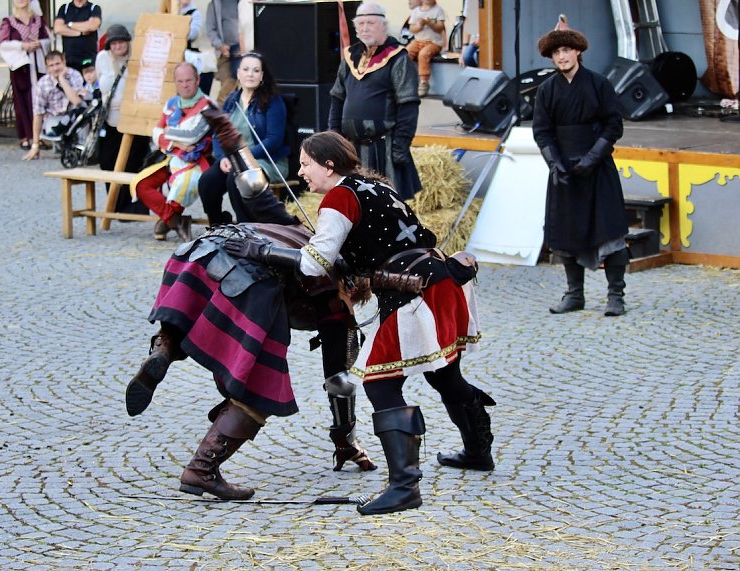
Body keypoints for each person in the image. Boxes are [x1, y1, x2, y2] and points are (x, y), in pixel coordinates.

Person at [222, 131, 494, 515]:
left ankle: (404, 487)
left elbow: (313, 263)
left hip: (415, 292)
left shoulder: (338, 197)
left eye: (306, 164)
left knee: (381, 382)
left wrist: (262, 250)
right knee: (444, 374)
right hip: (441, 279)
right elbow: (381, 242)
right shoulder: (374, 186)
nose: (301, 173)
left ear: (329, 165)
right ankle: (478, 452)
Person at [125, 220, 376, 500]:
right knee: (261, 386)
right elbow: (340, 381)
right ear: (356, 288)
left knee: (192, 316)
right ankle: (202, 469)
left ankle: (164, 349)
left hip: (197, 251)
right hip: (252, 277)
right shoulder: (337, 293)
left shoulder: (300, 233)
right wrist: (345, 440)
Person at [532, 22, 630, 317]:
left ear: (577, 51)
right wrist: (555, 164)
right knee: (565, 234)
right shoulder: (547, 90)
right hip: (564, 172)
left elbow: (614, 124)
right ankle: (575, 294)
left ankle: (616, 296)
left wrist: (592, 158)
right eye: (556, 53)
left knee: (609, 231)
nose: (562, 56)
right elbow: (542, 131)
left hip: (597, 168)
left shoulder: (599, 84)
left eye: (566, 50)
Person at [328, 2, 422, 200]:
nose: (364, 28)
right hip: (351, 148)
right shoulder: (350, 57)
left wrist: (400, 147)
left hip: (384, 148)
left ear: (383, 25)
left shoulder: (397, 57)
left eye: (370, 22)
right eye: (360, 23)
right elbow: (337, 98)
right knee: (354, 204)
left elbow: (408, 105)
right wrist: (333, 138)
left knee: (386, 205)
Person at [196, 51, 295, 227]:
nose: (250, 74)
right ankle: (217, 225)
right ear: (238, 73)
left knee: (238, 177)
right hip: (234, 160)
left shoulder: (273, 101)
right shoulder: (231, 100)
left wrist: (242, 157)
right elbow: (218, 133)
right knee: (207, 181)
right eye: (246, 69)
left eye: (256, 70)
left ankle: (246, 228)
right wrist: (223, 158)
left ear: (262, 75)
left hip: (266, 160)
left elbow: (273, 141)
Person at [132, 62, 213, 242]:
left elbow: (193, 136)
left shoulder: (208, 106)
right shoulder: (171, 103)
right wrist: (176, 143)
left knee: (184, 186)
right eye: (180, 81)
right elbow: (155, 133)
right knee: (141, 185)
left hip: (196, 162)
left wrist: (168, 133)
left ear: (198, 80)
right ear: (175, 83)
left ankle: (166, 221)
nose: (184, 85)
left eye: (188, 80)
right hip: (170, 158)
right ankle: (177, 221)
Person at [94, 23, 150, 215]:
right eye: (114, 43)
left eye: (121, 42)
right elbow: (100, 82)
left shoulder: (136, 58)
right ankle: (115, 205)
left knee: (134, 162)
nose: (118, 46)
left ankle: (134, 207)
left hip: (134, 118)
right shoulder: (102, 58)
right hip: (110, 118)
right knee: (108, 161)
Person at [0, 0, 50, 150]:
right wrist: (22, 46)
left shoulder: (38, 19)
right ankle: (25, 135)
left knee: (38, 100)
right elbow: (2, 44)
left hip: (37, 64)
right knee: (21, 101)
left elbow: (47, 39)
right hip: (21, 65)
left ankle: (38, 136)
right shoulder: (8, 21)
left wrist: (39, 43)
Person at [22, 50, 84, 160]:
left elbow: (77, 101)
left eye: (57, 64)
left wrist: (62, 80)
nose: (55, 68)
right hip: (55, 117)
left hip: (75, 115)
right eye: (51, 66)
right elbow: (38, 113)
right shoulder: (42, 83)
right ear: (47, 68)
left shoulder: (75, 75)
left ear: (64, 62)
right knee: (54, 128)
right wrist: (35, 145)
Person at [406, 0, 446, 97]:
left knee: (424, 54)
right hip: (418, 41)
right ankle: (405, 78)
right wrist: (419, 27)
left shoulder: (438, 10)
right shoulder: (416, 11)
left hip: (433, 42)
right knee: (406, 53)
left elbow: (440, 27)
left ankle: (424, 82)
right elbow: (411, 28)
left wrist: (429, 23)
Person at [205, 0, 241, 105]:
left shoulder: (243, 3)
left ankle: (218, 109)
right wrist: (220, 46)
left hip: (242, 50)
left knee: (237, 75)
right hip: (224, 52)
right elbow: (210, 29)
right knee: (227, 83)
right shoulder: (214, 5)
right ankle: (220, 110)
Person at [53, 0, 101, 73]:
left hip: (88, 59)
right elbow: (58, 29)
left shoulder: (94, 8)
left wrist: (70, 24)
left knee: (89, 83)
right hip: (69, 59)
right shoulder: (64, 8)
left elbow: (93, 26)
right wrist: (81, 32)